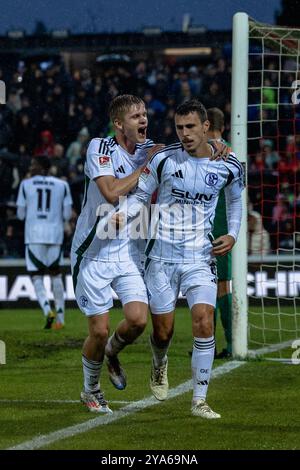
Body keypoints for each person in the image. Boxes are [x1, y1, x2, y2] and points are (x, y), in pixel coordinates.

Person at [117, 99, 244, 419]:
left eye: (191, 127)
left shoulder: (229, 164)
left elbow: (235, 201)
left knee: (203, 321)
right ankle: (159, 363)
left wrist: (233, 234)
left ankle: (199, 399)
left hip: (200, 258)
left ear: (206, 128)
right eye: (179, 128)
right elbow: (142, 195)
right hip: (160, 257)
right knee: (163, 332)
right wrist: (125, 214)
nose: (185, 134)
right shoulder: (163, 159)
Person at [71, 95, 162, 414]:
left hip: (127, 251)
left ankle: (111, 352)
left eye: (145, 114)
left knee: (138, 321)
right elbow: (110, 192)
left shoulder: (151, 150)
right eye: (136, 116)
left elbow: (187, 150)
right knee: (98, 329)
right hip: (93, 252)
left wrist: (217, 145)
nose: (143, 120)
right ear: (119, 123)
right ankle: (90, 389)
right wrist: (147, 167)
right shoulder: (100, 147)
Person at [16, 155, 73, 329]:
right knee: (55, 274)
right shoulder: (62, 185)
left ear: (40, 167)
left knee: (36, 275)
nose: (31, 167)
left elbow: (20, 215)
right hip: (55, 235)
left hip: (34, 235)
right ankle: (61, 318)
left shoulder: (26, 184)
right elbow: (66, 215)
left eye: (33, 164)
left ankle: (47, 309)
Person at [207, 107, 233, 359]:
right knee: (219, 286)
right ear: (223, 126)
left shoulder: (207, 152)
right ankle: (229, 344)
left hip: (211, 225)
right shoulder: (232, 153)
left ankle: (216, 345)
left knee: (212, 287)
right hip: (225, 225)